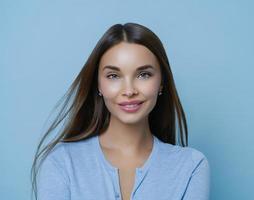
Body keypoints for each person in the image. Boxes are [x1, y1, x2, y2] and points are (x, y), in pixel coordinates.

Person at [31, 22, 210, 200]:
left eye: (143, 74)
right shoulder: (62, 162)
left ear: (161, 82)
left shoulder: (191, 167)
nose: (129, 90)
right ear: (99, 85)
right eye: (113, 76)